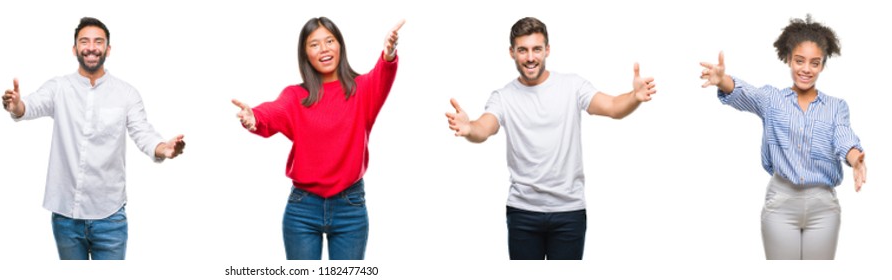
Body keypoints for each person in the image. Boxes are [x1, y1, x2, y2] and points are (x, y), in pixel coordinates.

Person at [444, 17, 657, 260]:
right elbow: (485, 127)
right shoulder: (503, 97)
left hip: (569, 212)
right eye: (523, 50)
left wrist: (634, 97)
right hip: (523, 212)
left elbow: (612, 106)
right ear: (512, 52)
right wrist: (469, 128)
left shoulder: (572, 86)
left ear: (547, 50)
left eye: (536, 49)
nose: (530, 57)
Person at [0, 17, 186, 260]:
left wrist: (164, 148)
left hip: (110, 217)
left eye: (98, 42)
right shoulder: (59, 88)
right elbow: (29, 106)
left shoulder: (126, 93)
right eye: (84, 41)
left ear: (108, 49)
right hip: (65, 216)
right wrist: (16, 106)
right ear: (75, 49)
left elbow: (143, 133)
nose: (91, 47)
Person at [230, 17, 403, 260]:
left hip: (350, 208)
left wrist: (388, 53)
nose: (324, 49)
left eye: (330, 41)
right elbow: (270, 112)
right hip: (303, 208)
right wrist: (253, 118)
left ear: (340, 46)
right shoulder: (295, 96)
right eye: (314, 44)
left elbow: (382, 74)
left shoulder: (362, 90)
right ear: (305, 54)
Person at [698, 15, 865, 260]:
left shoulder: (836, 106)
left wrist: (854, 157)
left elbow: (842, 135)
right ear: (788, 59)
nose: (806, 69)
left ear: (822, 65)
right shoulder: (772, 100)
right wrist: (723, 80)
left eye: (815, 63)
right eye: (799, 61)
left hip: (824, 207)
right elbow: (746, 93)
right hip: (781, 203)